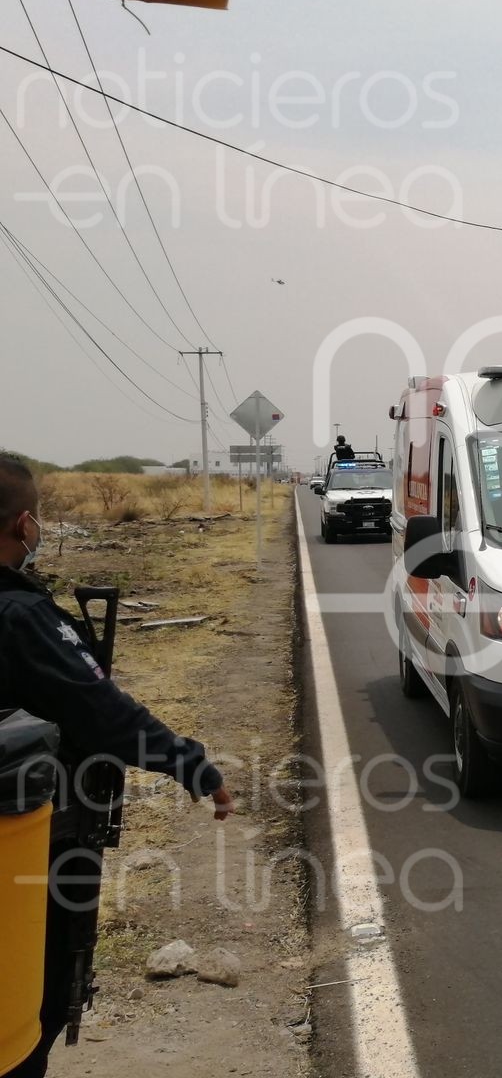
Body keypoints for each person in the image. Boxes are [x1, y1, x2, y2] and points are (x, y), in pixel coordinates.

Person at [0, 457, 233, 1077]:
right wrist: (192, 765)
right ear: (24, 525)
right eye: (39, 519)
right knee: (31, 1005)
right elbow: (100, 711)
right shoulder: (19, 616)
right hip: (26, 840)